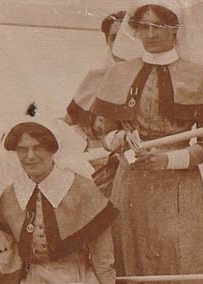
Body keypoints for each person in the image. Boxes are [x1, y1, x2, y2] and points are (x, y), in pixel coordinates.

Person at [92, 1, 203, 284]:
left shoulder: (199, 74)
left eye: (158, 26)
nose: (149, 35)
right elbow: (104, 129)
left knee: (180, 267)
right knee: (130, 266)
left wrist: (170, 160)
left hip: (179, 188)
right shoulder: (120, 73)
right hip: (131, 185)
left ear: (175, 29)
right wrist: (120, 140)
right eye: (142, 27)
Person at [0, 116, 117, 284]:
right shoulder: (9, 196)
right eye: (22, 149)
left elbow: (105, 258)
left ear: (52, 148)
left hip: (76, 282)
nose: (30, 156)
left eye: (37, 148)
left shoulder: (81, 188)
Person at [65, 10, 126, 194]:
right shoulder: (95, 77)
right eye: (114, 38)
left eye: (124, 39)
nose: (119, 46)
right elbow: (67, 122)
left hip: (124, 172)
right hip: (87, 171)